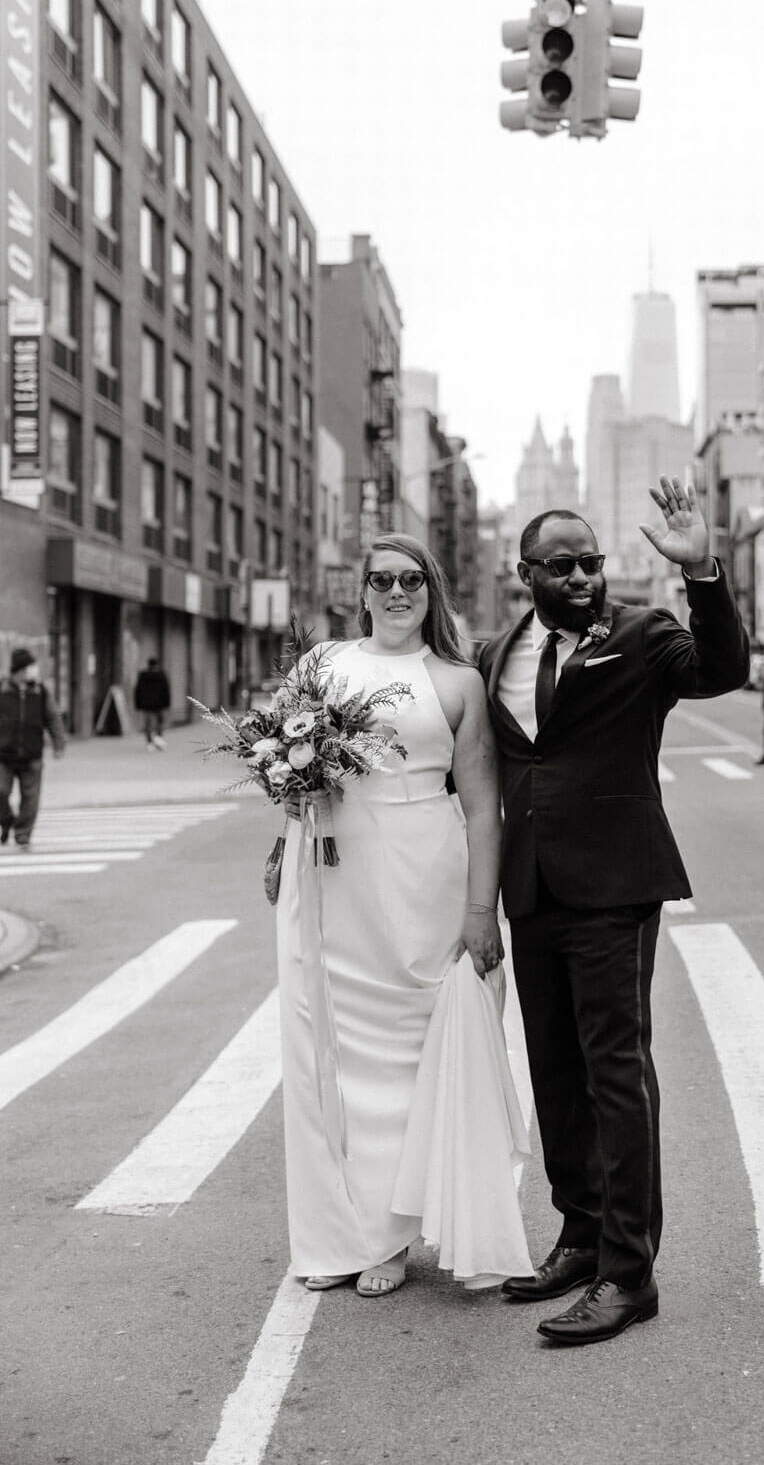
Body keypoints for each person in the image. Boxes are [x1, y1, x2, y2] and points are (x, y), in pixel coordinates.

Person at [479, 477, 750, 1346]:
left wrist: (701, 569)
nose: (583, 577)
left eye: (591, 562)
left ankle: (630, 1275)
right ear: (526, 572)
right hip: (533, 891)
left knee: (616, 1075)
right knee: (555, 1072)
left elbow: (722, 669)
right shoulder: (497, 653)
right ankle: (580, 1236)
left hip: (612, 888)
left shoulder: (640, 636)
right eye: (561, 566)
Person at [274, 534, 528, 1298]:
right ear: (361, 590)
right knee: (326, 1054)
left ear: (431, 588)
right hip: (327, 875)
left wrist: (482, 912)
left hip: (425, 879)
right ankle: (345, 1236)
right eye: (380, 579)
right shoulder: (321, 666)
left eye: (410, 579)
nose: (395, 591)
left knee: (414, 1055)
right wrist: (284, 808)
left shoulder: (456, 682)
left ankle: (397, 1231)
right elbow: (287, 765)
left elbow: (485, 807)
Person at [0, 649, 65, 850]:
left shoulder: (40, 691)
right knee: (0, 791)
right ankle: (7, 818)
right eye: (30, 667)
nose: (34, 671)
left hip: (31, 754)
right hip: (4, 753)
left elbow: (52, 717)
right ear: (19, 670)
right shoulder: (2, 689)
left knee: (31, 798)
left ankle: (22, 834)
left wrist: (58, 743)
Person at [133, 656, 171, 750]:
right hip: (159, 704)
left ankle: (149, 743)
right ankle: (158, 738)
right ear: (156, 665)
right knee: (160, 722)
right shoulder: (161, 675)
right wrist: (167, 703)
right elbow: (166, 690)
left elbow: (138, 690)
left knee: (148, 724)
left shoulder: (143, 675)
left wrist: (138, 704)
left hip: (146, 704)